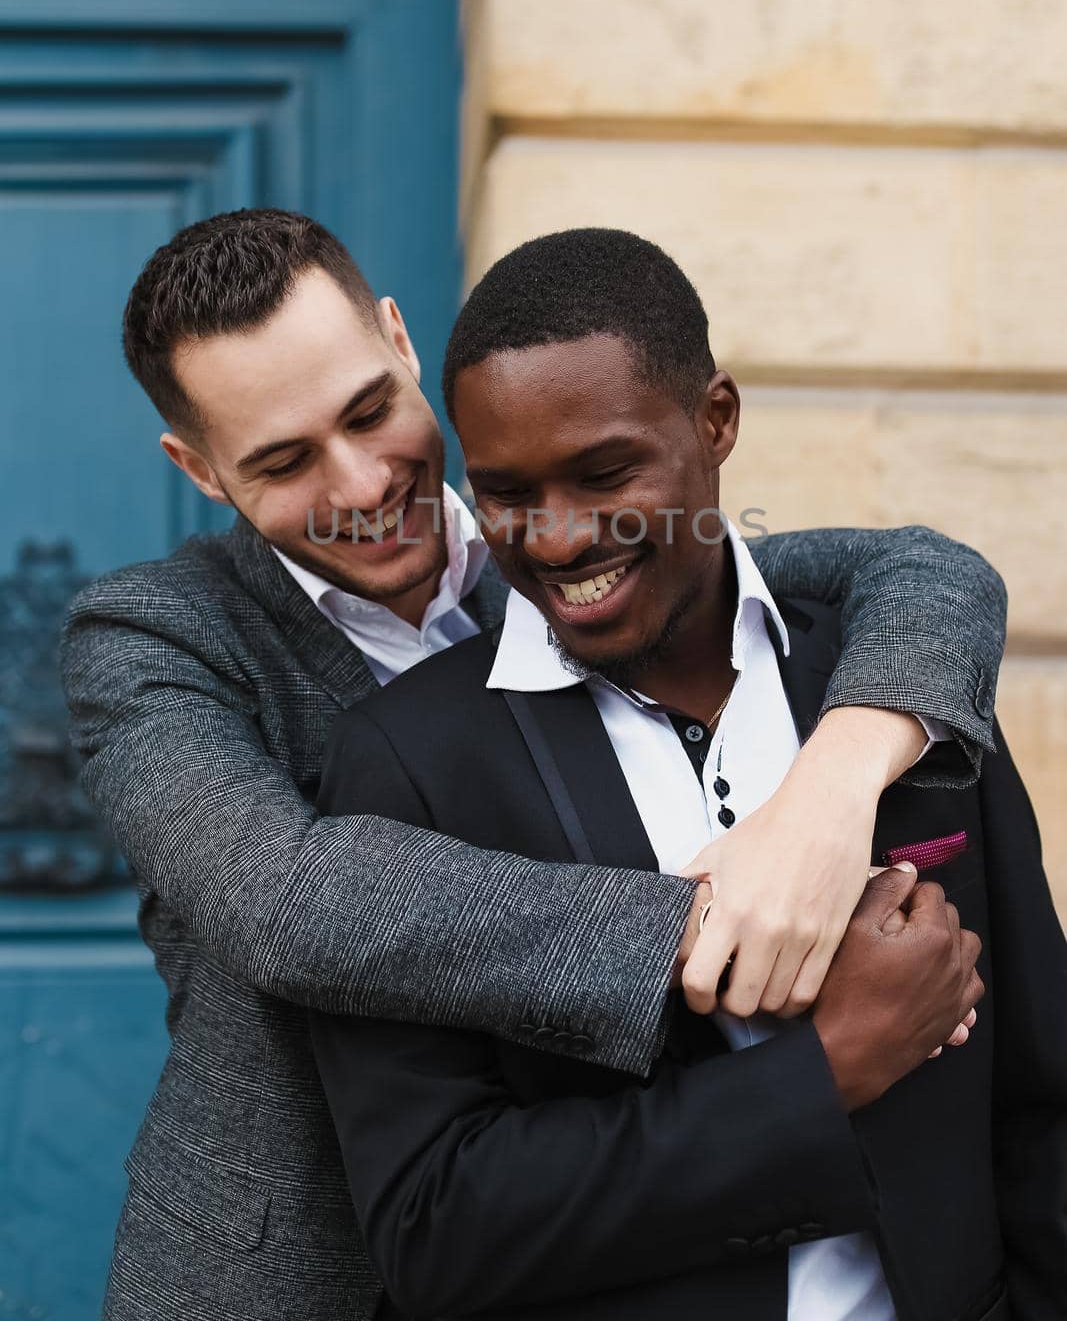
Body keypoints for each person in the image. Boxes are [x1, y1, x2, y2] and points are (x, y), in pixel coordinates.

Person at [61, 211, 1010, 1321]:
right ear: (201, 471)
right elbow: (285, 901)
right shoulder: (151, 638)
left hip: (572, 1251)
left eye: (370, 410)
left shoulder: (565, 557)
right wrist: (716, 921)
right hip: (284, 1279)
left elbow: (922, 572)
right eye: (282, 460)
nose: (364, 482)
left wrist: (831, 791)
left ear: (398, 339)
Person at [312, 228, 1066, 1321]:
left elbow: (1040, 1102)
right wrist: (819, 1079)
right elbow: (436, 1226)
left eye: (604, 473)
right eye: (507, 491)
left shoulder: (897, 691)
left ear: (715, 420)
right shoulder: (407, 761)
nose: (558, 537)